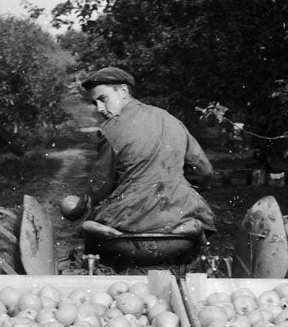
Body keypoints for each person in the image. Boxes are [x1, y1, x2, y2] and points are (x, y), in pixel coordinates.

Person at [68, 66, 216, 237]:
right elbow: (204, 172)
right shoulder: (171, 120)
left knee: (88, 227)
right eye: (95, 103)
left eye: (103, 99)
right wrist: (177, 191)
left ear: (123, 91)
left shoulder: (111, 130)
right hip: (180, 216)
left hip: (127, 221)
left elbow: (100, 187)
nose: (100, 108)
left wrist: (88, 201)